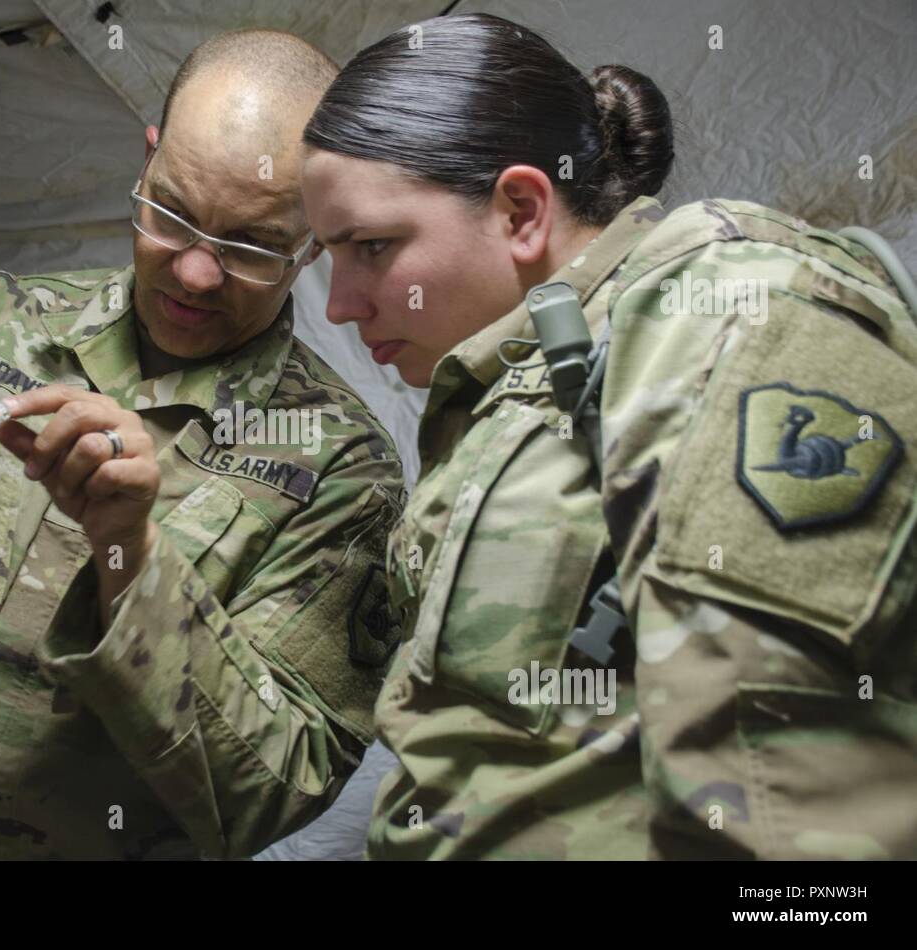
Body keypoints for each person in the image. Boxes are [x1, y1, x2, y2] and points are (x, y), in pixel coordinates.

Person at [0, 29, 405, 860]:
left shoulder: (343, 473)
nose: (196, 273)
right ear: (145, 162)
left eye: (251, 246)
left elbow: (264, 798)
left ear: (315, 238)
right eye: (171, 214)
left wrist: (132, 561)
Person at [301, 12, 917, 859]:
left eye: (371, 246)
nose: (339, 303)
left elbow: (794, 829)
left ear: (521, 208)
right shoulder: (516, 398)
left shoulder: (721, 313)